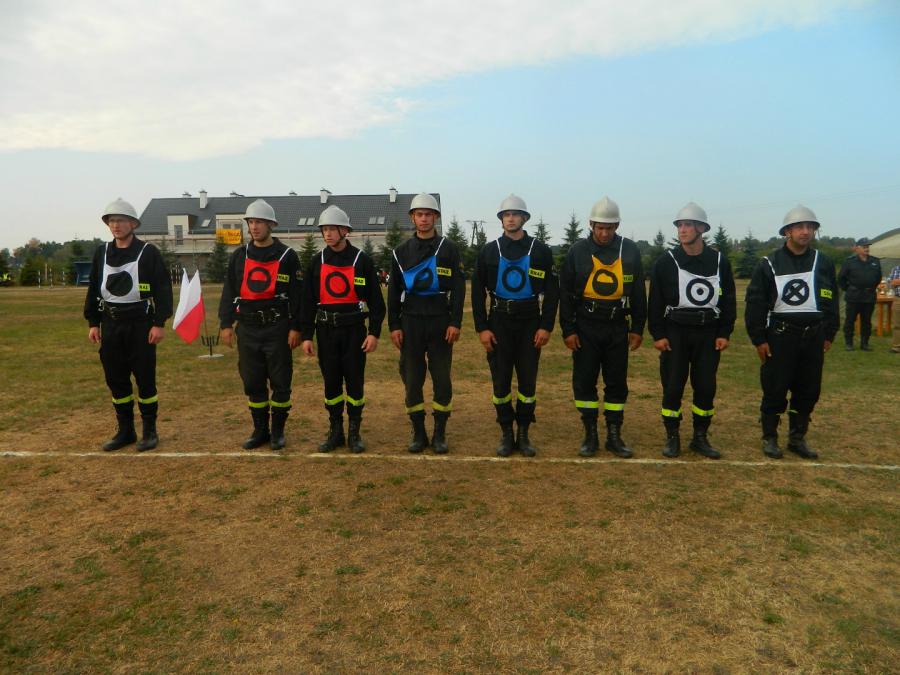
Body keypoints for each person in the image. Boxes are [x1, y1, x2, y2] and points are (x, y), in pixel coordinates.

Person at [745, 205, 839, 459]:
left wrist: (829, 333)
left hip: (814, 336)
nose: (805, 232)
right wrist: (759, 339)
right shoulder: (769, 263)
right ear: (787, 231)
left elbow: (831, 298)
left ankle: (797, 438)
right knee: (775, 388)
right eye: (799, 227)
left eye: (810, 227)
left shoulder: (823, 262)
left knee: (808, 389)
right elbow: (755, 303)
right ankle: (770, 437)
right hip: (780, 336)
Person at [472, 194, 559, 457]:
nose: (510, 219)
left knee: (527, 382)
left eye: (515, 214)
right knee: (500, 383)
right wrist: (482, 328)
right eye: (506, 215)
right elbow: (477, 293)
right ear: (501, 220)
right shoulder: (489, 251)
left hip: (530, 322)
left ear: (524, 218)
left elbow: (552, 293)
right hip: (499, 322)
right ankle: (506, 433)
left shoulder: (540, 251)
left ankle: (523, 432)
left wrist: (546, 326)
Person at [559, 196, 646, 458]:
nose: (604, 233)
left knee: (616, 382)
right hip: (586, 326)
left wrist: (637, 327)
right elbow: (565, 293)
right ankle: (590, 434)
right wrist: (568, 330)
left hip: (617, 326)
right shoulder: (577, 251)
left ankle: (614, 435)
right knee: (584, 381)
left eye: (609, 228)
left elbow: (639, 292)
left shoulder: (630, 250)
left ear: (617, 226)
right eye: (600, 227)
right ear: (591, 225)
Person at [648, 203, 736, 459]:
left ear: (702, 228)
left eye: (688, 225)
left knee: (706, 387)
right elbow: (655, 301)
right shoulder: (666, 262)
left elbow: (728, 299)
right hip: (675, 332)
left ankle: (700, 436)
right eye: (680, 225)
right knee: (673, 386)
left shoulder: (719, 261)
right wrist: (658, 334)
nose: (682, 230)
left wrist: (724, 332)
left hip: (708, 333)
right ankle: (672, 436)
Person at [84, 198, 173, 451]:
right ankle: (125, 430)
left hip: (141, 325)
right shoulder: (102, 253)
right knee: (116, 379)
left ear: (133, 224)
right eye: (111, 221)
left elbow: (163, 290)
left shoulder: (148, 253)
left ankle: (149, 431)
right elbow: (94, 288)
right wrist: (93, 322)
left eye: (121, 220)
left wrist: (159, 323)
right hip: (111, 325)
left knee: (145, 379)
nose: (116, 225)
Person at [299, 205, 385, 453]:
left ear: (345, 231)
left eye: (332, 229)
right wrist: (307, 336)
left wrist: (373, 333)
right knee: (331, 383)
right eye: (324, 229)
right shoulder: (316, 262)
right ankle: (335, 430)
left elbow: (377, 303)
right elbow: (307, 302)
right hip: (326, 332)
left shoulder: (362, 261)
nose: (327, 234)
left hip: (354, 332)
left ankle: (354, 432)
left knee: (355, 383)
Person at [219, 199, 302, 450]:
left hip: (277, 328)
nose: (254, 227)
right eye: (251, 222)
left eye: (260, 222)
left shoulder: (287, 256)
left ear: (271, 225)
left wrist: (296, 328)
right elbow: (229, 291)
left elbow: (298, 296)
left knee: (280, 381)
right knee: (252, 381)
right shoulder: (239, 256)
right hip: (247, 329)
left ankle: (277, 431)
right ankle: (260, 430)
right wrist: (226, 324)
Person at [388, 193, 465, 454]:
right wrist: (394, 326)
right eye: (419, 214)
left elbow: (459, 289)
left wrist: (455, 322)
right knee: (412, 379)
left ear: (436, 217)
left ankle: (440, 432)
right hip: (410, 322)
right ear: (412, 218)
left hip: (440, 322)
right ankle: (418, 431)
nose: (424, 219)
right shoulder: (400, 252)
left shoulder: (449, 249)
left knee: (442, 378)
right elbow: (393, 292)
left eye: (428, 214)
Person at [838, 237, 882, 351]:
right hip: (853, 296)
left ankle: (865, 343)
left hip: (869, 296)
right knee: (850, 321)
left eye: (867, 247)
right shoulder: (849, 262)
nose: (867, 249)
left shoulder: (875, 261)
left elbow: (878, 278)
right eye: (864, 247)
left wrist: (870, 287)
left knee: (866, 322)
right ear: (857, 248)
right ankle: (849, 343)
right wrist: (849, 289)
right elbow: (841, 278)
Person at [890, 263, 900, 354]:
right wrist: (896, 282)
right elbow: (893, 283)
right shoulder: (896, 269)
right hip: (898, 299)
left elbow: (896, 282)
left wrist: (898, 281)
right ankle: (896, 347)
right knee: (897, 324)